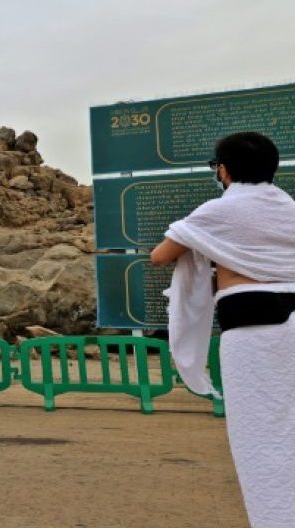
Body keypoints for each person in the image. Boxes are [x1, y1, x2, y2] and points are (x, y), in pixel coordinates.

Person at [151, 131, 295, 527]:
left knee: (260, 435)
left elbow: (161, 255)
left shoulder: (219, 211)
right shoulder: (289, 208)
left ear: (224, 170)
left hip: (254, 326)